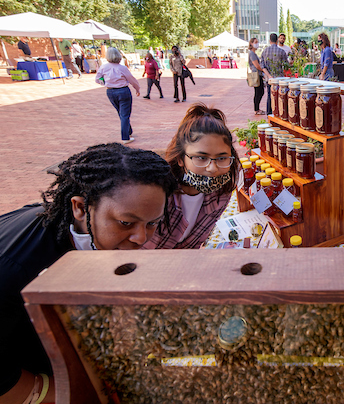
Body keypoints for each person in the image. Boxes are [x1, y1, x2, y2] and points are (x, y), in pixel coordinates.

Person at [0, 143, 177, 404]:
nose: (141, 238)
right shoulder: (16, 267)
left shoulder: (80, 228)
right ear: (80, 207)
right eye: (126, 223)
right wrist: (64, 394)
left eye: (152, 223)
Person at [143, 103, 239, 249]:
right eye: (201, 158)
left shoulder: (221, 193)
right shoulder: (157, 194)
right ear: (181, 159)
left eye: (221, 158)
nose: (212, 168)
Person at [95, 47, 140, 144]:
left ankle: (128, 131)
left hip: (110, 92)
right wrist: (137, 88)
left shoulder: (103, 67)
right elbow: (131, 79)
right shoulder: (122, 68)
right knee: (124, 114)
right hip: (123, 91)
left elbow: (97, 79)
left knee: (121, 113)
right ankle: (125, 137)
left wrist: (106, 83)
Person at [260, 33, 288, 115]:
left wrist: (269, 76)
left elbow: (262, 66)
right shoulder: (282, 52)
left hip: (270, 79)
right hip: (279, 79)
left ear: (269, 41)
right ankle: (279, 113)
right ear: (277, 40)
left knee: (270, 96)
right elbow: (286, 66)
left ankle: (269, 114)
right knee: (280, 97)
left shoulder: (265, 51)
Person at [248, 37, 266, 115]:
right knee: (259, 92)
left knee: (259, 92)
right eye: (255, 42)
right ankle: (256, 109)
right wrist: (264, 70)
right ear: (251, 43)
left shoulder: (253, 53)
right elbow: (257, 65)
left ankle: (257, 108)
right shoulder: (251, 53)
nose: (257, 44)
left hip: (258, 74)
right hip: (256, 75)